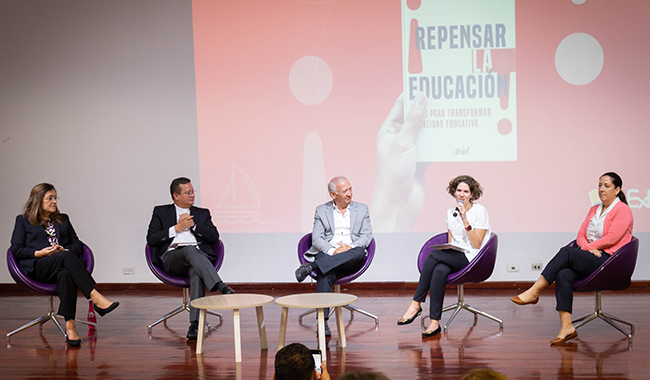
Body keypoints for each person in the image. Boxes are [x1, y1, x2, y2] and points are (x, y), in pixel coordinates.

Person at [511, 172, 633, 344]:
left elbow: (612, 238)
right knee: (563, 274)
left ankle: (535, 290)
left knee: (566, 252)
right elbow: (581, 235)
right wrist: (587, 249)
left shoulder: (623, 210)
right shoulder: (594, 209)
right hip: (592, 256)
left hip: (609, 260)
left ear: (617, 189)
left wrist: (589, 248)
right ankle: (567, 327)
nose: (601, 189)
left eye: (606, 186)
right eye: (599, 185)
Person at [10, 183, 119, 347]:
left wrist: (63, 249)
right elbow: (16, 249)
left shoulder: (63, 220)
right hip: (39, 266)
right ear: (38, 200)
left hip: (62, 264)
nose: (54, 201)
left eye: (55, 198)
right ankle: (95, 297)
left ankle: (70, 327)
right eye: (50, 198)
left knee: (66, 274)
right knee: (65, 258)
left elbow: (78, 245)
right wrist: (40, 253)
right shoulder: (23, 220)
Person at [398, 175, 491, 338]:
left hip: (473, 258)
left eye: (466, 192)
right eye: (459, 191)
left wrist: (465, 219)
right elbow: (451, 241)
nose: (461, 195)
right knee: (439, 270)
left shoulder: (479, 211)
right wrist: (447, 249)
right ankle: (434, 322)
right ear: (454, 192)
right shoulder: (450, 212)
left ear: (472, 194)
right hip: (455, 255)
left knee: (434, 256)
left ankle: (416, 303)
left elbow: (476, 244)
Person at [146, 177, 234, 341]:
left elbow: (214, 237)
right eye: (188, 193)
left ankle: (194, 324)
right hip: (172, 258)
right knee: (188, 250)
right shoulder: (161, 212)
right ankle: (219, 285)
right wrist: (176, 228)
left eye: (193, 192)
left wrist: (193, 226)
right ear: (176, 195)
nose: (192, 195)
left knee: (195, 270)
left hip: (197, 259)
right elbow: (151, 239)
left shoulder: (202, 213)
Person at [295, 176, 373, 336]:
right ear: (333, 195)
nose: (350, 194)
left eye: (350, 189)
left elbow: (366, 236)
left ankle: (312, 267)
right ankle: (322, 322)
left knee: (358, 252)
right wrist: (332, 251)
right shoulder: (321, 210)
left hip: (352, 256)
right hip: (328, 253)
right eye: (345, 191)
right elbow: (316, 238)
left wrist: (349, 247)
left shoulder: (362, 209)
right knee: (326, 272)